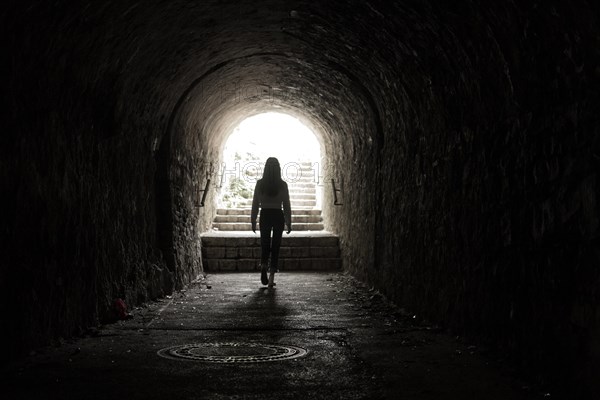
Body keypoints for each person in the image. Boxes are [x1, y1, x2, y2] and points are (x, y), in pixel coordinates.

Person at [251, 157, 292, 287]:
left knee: (265, 243)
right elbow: (286, 205)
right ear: (278, 169)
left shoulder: (260, 184)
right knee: (276, 245)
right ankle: (271, 278)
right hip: (277, 215)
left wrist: (253, 220)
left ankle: (263, 265)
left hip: (265, 214)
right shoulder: (282, 185)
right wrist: (289, 222)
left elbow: (255, 204)